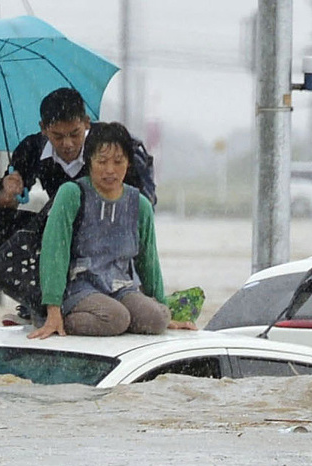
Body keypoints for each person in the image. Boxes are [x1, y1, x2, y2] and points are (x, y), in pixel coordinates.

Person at [27, 122, 195, 339]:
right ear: (89, 161)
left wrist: (162, 306)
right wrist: (52, 308)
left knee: (156, 319)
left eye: (118, 162)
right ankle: (51, 317)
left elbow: (148, 259)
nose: (110, 170)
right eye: (102, 161)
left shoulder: (140, 204)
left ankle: (123, 315)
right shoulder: (72, 194)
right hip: (78, 287)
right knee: (116, 318)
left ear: (128, 163)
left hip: (120, 286)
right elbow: (54, 251)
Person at [0, 87, 156, 249]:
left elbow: (143, 205)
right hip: (60, 225)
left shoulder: (109, 144)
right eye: (57, 136)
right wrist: (7, 193)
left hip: (107, 224)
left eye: (75, 134)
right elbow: (3, 201)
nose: (67, 144)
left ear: (87, 123)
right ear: (43, 128)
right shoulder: (32, 149)